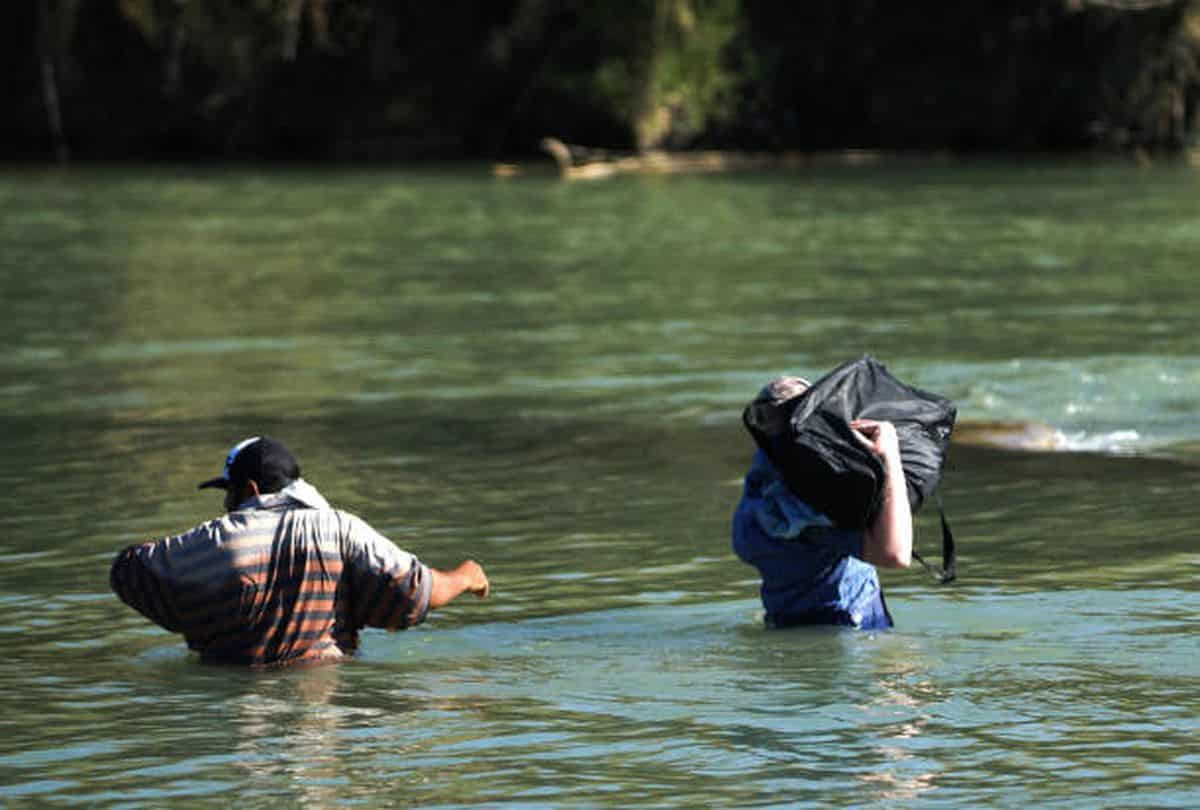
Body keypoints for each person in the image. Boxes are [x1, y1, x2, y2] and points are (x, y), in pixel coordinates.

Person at [110, 436, 490, 667]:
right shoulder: (342, 529)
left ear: (251, 490)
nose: (225, 504)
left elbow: (128, 572)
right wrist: (466, 576)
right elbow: (416, 592)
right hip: (327, 708)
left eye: (229, 493)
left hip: (237, 714)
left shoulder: (217, 539)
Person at [732, 376, 912, 630]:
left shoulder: (759, 490)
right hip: (850, 631)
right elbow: (895, 555)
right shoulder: (814, 506)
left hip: (783, 625)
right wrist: (890, 455)